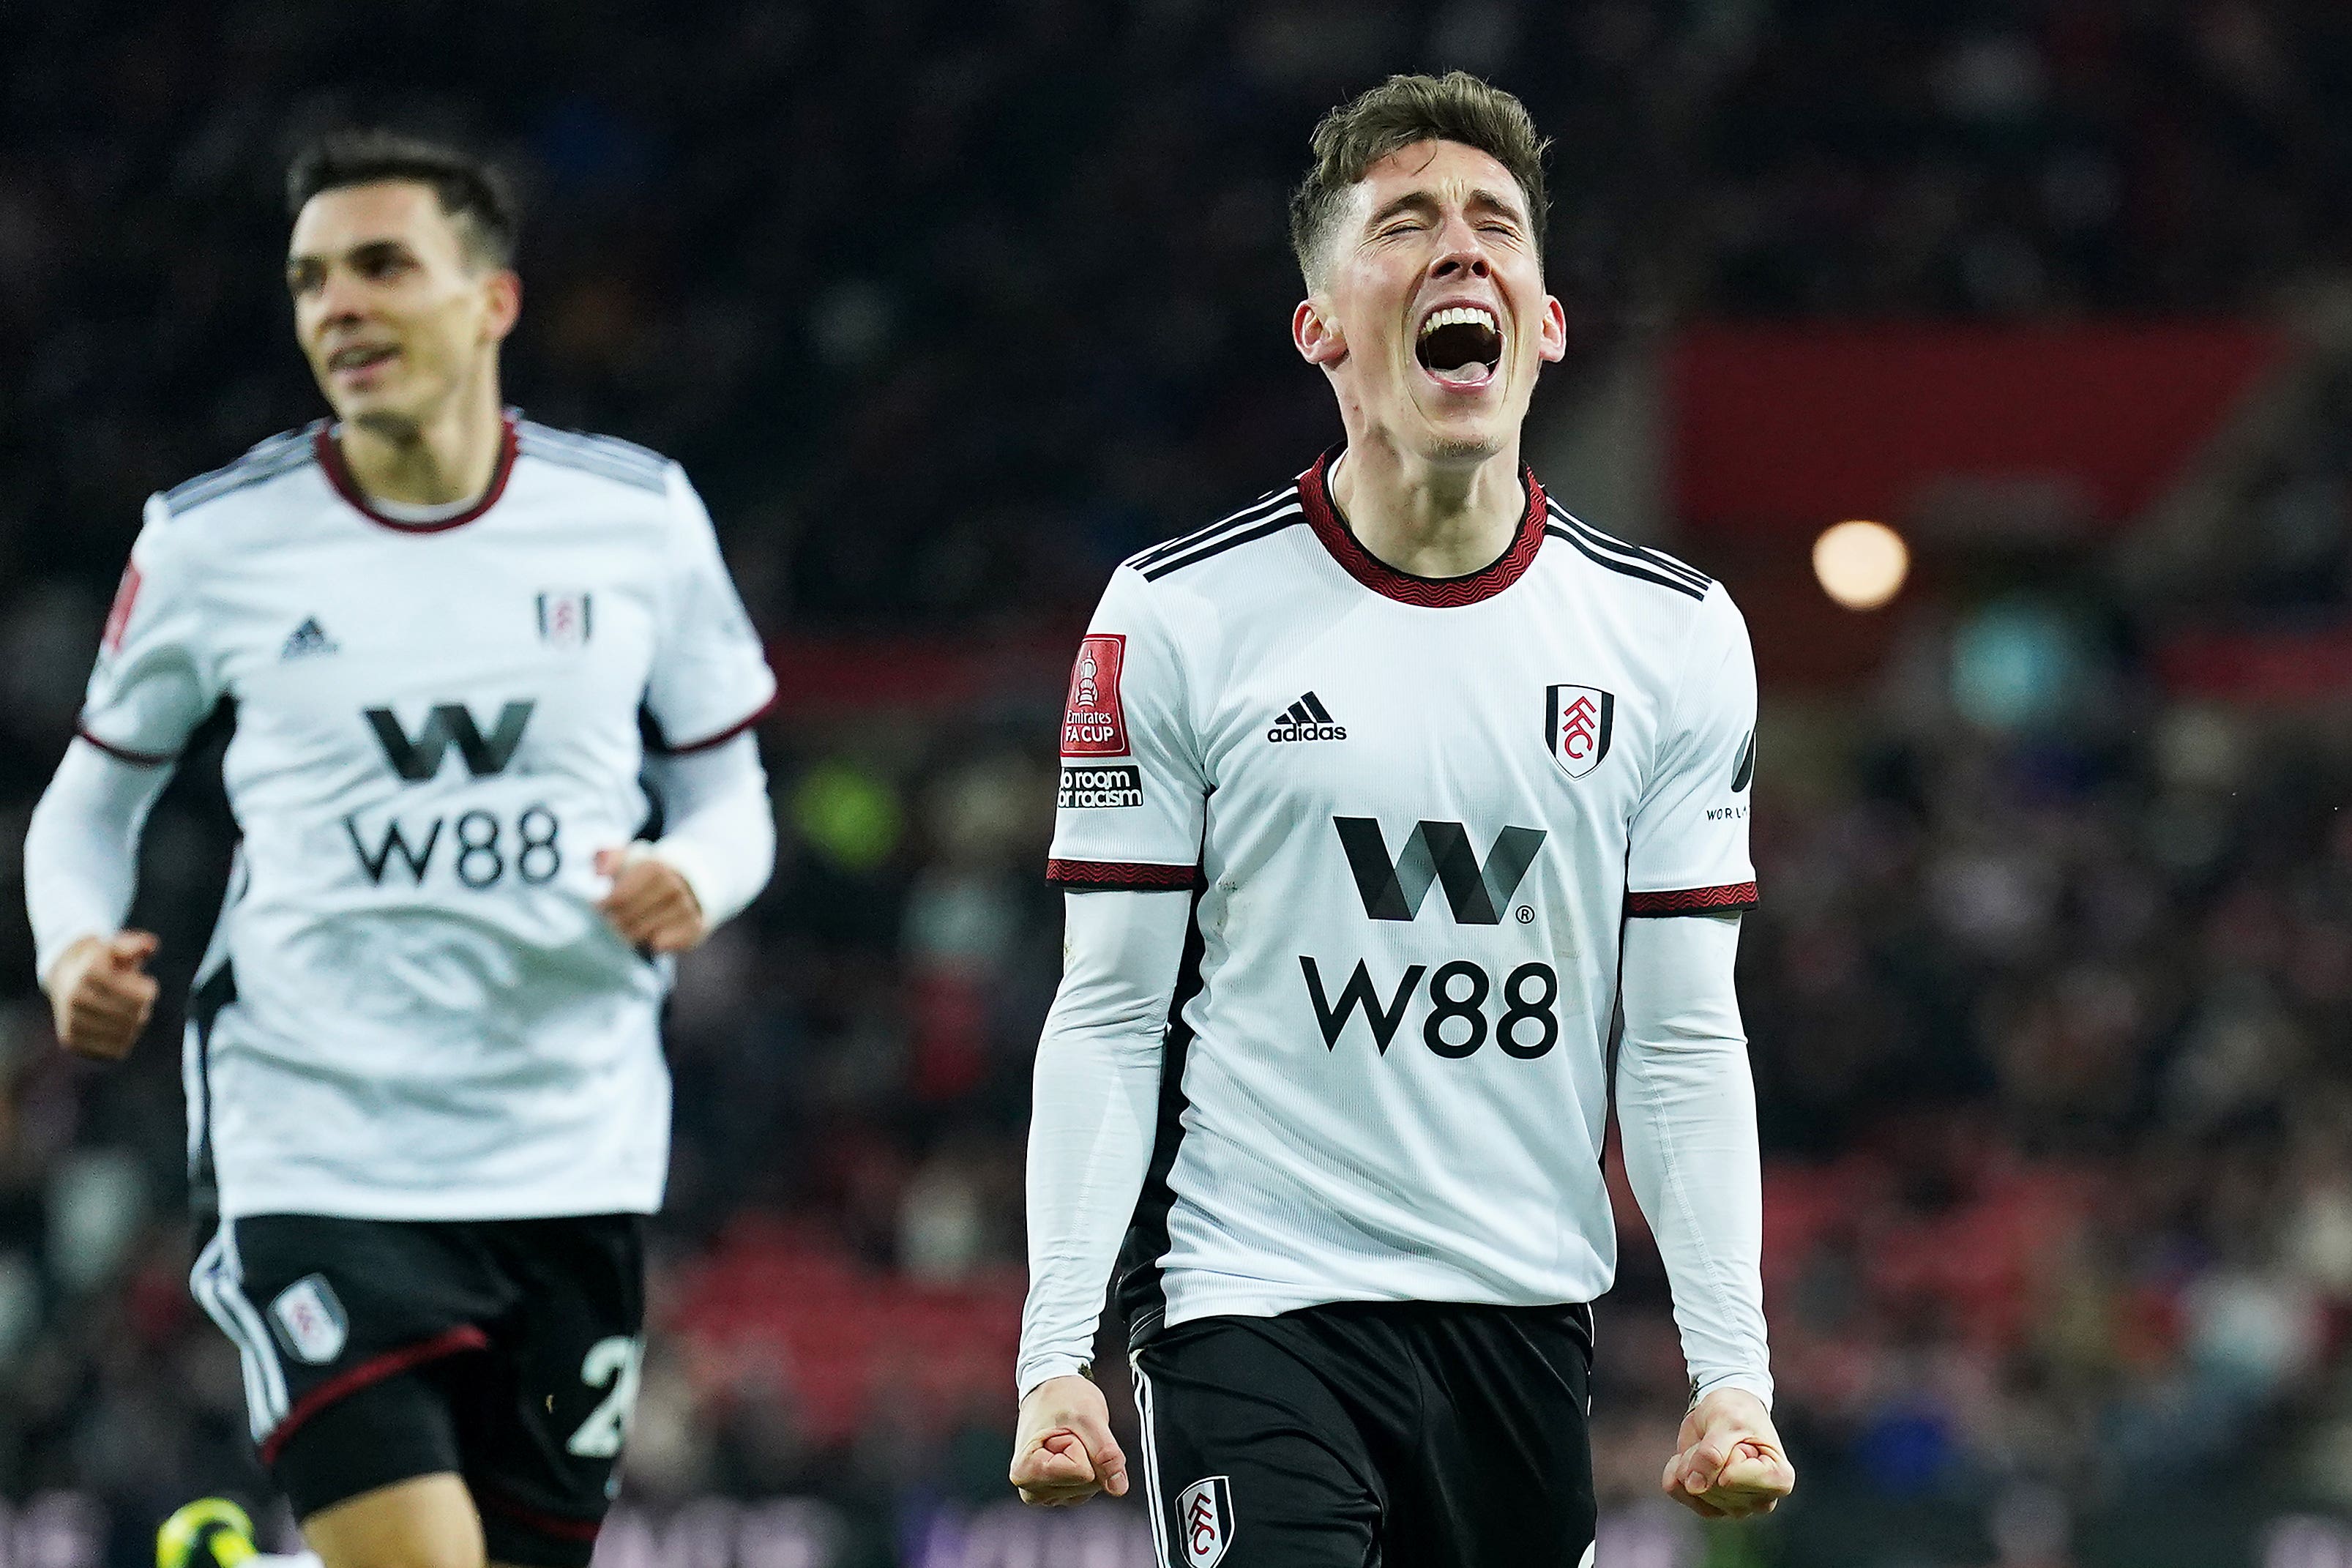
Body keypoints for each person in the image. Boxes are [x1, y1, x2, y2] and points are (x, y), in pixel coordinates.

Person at [1009, 72, 1795, 1564]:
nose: (1459, 250)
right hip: (1251, 1300)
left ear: (1544, 324)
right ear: (1319, 327)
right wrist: (1059, 1345)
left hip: (1519, 1327)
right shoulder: (1174, 618)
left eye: (1495, 224)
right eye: (1406, 225)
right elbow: (1108, 1010)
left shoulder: (1671, 636)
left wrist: (1728, 1373)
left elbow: (1683, 1038)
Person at [23, 130, 778, 1568]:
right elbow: (93, 800)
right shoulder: (211, 545)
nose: (337, 307)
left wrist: (702, 875)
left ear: (491, 300)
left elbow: (730, 788)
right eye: (310, 280)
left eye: (380, 267)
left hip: (573, 1147)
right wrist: (70, 943)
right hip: (316, 1140)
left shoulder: (634, 520)